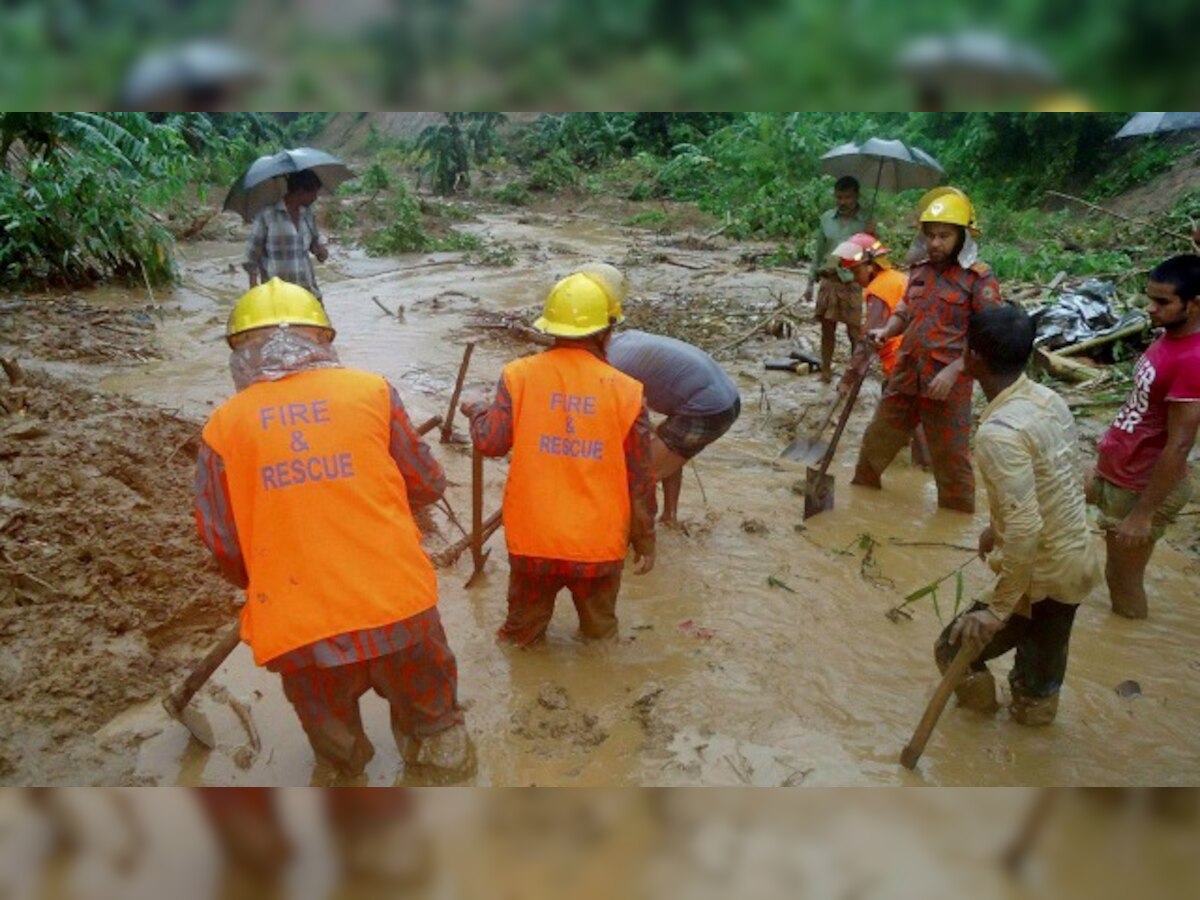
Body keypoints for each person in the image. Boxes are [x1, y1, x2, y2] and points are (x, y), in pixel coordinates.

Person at [193, 278, 471, 782]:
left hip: (301, 634)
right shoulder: (372, 392)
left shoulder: (223, 427)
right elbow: (428, 484)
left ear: (240, 353)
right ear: (322, 340)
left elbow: (226, 546)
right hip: (400, 613)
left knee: (339, 766)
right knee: (440, 738)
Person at [461, 272, 657, 646]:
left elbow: (490, 441)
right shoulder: (627, 392)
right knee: (600, 640)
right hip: (597, 548)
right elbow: (640, 478)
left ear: (551, 328)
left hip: (534, 543)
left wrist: (479, 412)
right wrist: (645, 539)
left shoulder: (518, 376)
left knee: (521, 640)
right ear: (606, 331)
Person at [934, 305, 1100, 726]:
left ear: (972, 358)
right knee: (1038, 683)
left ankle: (977, 724)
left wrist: (996, 610)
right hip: (1075, 561)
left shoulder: (999, 434)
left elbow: (1026, 529)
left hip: (1039, 573)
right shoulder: (1049, 399)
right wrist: (996, 527)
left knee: (953, 647)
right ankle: (1030, 736)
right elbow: (1057, 480)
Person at [852, 186, 1003, 513]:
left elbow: (989, 334)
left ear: (962, 236)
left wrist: (954, 370)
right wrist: (886, 330)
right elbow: (906, 311)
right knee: (875, 442)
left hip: (948, 384)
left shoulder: (979, 279)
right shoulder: (919, 269)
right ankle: (861, 506)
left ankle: (955, 522)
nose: (935, 243)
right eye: (931, 235)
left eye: (944, 236)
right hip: (907, 372)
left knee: (951, 461)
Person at [580, 263, 741, 525]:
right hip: (724, 397)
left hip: (707, 408)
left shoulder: (611, 367)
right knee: (666, 446)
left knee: (639, 477)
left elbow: (618, 425)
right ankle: (670, 517)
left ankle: (635, 535)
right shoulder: (624, 341)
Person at [1088, 254, 1200, 619]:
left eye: (1163, 302)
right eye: (1149, 298)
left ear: (1195, 305)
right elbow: (1137, 410)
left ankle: (1130, 645)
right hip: (1119, 470)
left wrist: (1143, 513)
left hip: (1141, 485)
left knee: (1122, 579)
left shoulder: (1193, 360)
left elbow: (1180, 444)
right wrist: (1103, 464)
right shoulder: (1169, 338)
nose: (1150, 309)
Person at [807, 175, 877, 382]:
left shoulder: (866, 221)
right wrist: (810, 283)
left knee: (854, 332)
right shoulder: (827, 219)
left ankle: (855, 372)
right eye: (839, 197)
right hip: (829, 279)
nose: (842, 202)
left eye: (847, 197)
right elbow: (819, 253)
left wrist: (872, 236)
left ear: (856, 196)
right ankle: (826, 371)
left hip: (853, 282)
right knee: (827, 329)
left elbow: (874, 254)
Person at [243, 169, 330, 302]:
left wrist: (321, 252)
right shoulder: (267, 215)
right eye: (313, 193)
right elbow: (251, 257)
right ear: (301, 191)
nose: (315, 198)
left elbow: (317, 250)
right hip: (277, 296)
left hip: (307, 293)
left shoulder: (307, 215)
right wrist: (254, 294)